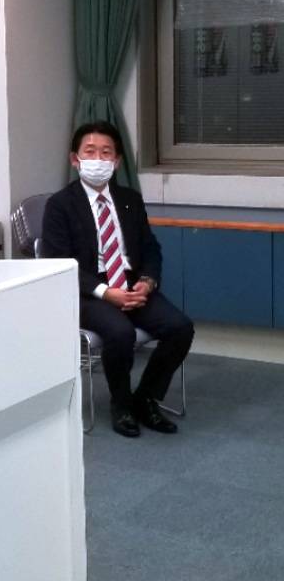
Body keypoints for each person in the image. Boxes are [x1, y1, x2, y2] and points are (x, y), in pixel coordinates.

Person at [41, 121, 193, 438]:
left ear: (117, 161)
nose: (98, 159)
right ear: (75, 159)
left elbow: (150, 247)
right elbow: (58, 262)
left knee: (180, 327)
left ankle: (145, 399)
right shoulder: (60, 205)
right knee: (120, 332)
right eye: (90, 152)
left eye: (106, 152)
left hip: (131, 283)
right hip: (86, 291)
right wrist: (104, 291)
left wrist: (147, 281)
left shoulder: (130, 199)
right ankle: (121, 405)